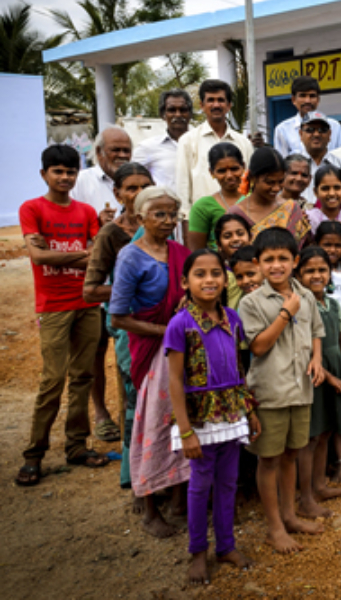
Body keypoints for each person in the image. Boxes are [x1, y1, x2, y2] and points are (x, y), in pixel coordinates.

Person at [164, 249, 258, 584]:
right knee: (200, 486)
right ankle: (198, 552)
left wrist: (248, 408)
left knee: (229, 482)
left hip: (231, 413)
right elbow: (174, 379)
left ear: (225, 279)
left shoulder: (233, 318)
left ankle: (226, 547)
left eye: (216, 273)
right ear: (185, 282)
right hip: (200, 420)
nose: (209, 280)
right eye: (199, 274)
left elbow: (238, 366)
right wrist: (186, 431)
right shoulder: (180, 324)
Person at [16, 145, 107, 488]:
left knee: (83, 375)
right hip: (53, 305)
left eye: (70, 172)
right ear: (44, 174)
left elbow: (99, 260)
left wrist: (54, 252)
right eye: (58, 171)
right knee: (52, 381)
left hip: (87, 302)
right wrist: (84, 253)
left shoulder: (86, 211)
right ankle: (33, 455)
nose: (65, 177)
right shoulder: (32, 208)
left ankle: (76, 447)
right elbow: (37, 259)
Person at [238, 227, 326, 554]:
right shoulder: (251, 303)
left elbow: (317, 331)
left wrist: (317, 359)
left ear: (295, 261)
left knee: (291, 454)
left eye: (283, 259)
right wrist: (286, 312)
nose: (277, 266)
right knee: (269, 459)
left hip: (301, 389)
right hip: (270, 393)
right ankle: (274, 527)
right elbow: (258, 347)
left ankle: (290, 516)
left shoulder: (306, 295)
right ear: (258, 264)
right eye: (269, 260)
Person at [110, 187, 191, 537]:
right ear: (141, 218)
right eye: (159, 214)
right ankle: (148, 507)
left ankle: (178, 496)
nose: (168, 220)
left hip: (177, 350)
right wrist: (164, 330)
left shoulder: (179, 252)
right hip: (150, 350)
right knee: (150, 424)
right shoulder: (131, 257)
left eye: (172, 213)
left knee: (181, 420)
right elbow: (118, 316)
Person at [82, 162, 153, 488]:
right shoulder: (111, 233)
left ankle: (162, 471)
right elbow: (91, 289)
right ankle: (136, 477)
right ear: (117, 193)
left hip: (159, 323)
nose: (138, 194)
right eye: (131, 188)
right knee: (136, 400)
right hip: (130, 327)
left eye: (144, 187)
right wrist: (134, 287)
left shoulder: (163, 226)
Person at [295, 247, 341, 519]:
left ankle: (320, 485)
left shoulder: (333, 303)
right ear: (299, 274)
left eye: (322, 270)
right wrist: (331, 379)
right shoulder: (299, 304)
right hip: (314, 374)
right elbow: (305, 346)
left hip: (334, 369)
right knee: (310, 436)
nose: (316, 275)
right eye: (309, 271)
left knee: (326, 432)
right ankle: (306, 497)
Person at [176, 80, 255, 215]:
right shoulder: (188, 141)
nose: (216, 105)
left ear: (229, 105)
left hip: (240, 216)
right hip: (203, 217)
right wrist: (185, 219)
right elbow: (183, 184)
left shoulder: (243, 143)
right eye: (210, 100)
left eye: (221, 100)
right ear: (202, 105)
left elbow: (251, 182)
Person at [228, 148, 311, 242]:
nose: (276, 188)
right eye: (269, 182)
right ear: (252, 178)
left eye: (281, 181)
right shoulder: (236, 214)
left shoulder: (291, 209)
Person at [186, 143, 246, 251]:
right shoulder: (203, 207)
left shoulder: (256, 199)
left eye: (234, 169)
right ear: (211, 172)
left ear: (243, 167)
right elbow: (197, 253)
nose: (229, 176)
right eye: (221, 171)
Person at [133, 89, 193, 191]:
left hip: (202, 206)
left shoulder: (202, 142)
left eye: (183, 110)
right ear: (163, 115)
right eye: (172, 110)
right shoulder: (148, 147)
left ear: (190, 114)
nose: (178, 115)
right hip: (165, 206)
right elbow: (130, 178)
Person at [72, 124, 133, 221]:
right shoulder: (80, 181)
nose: (122, 155)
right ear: (99, 151)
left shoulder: (136, 181)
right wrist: (97, 222)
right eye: (116, 150)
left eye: (126, 151)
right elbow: (69, 221)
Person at [273, 76, 341, 157]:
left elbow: (339, 160)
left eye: (312, 96)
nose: (307, 101)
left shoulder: (334, 126)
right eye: (302, 96)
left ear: (318, 100)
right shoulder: (283, 130)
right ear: (293, 100)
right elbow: (282, 164)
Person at [308, 164, 341, 242]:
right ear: (316, 192)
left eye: (337, 188)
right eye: (325, 188)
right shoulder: (309, 219)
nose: (332, 193)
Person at [297, 115, 335, 202]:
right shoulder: (290, 166)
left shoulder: (340, 165)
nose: (317, 134)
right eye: (310, 130)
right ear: (301, 134)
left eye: (322, 130)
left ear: (329, 135)